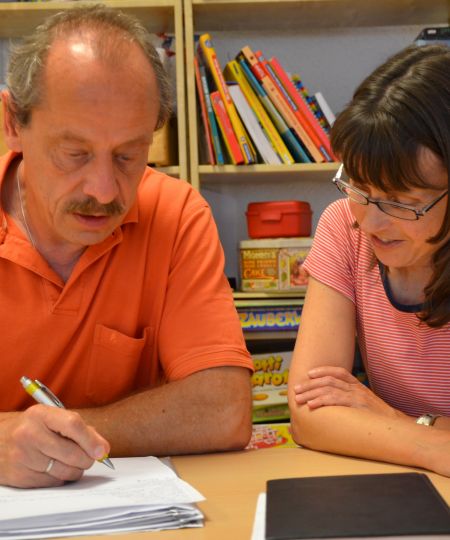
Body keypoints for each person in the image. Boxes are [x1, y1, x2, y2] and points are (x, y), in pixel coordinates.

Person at [0, 4, 253, 488]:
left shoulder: (176, 214)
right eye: (74, 153)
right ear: (13, 123)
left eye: (127, 156)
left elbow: (222, 409)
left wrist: (60, 434)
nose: (104, 190)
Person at [288, 44, 450, 476]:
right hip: (404, 482)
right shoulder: (343, 224)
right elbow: (309, 414)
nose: (372, 222)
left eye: (401, 201)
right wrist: (434, 444)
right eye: (358, 187)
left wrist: (387, 420)